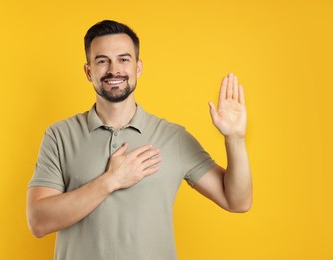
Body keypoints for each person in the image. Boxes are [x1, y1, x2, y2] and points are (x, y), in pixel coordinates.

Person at [26, 20, 252, 260]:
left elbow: (237, 201)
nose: (114, 70)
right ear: (89, 71)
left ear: (138, 67)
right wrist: (111, 180)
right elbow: (38, 222)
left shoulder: (173, 137)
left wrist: (235, 139)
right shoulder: (60, 135)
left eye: (124, 59)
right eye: (102, 61)